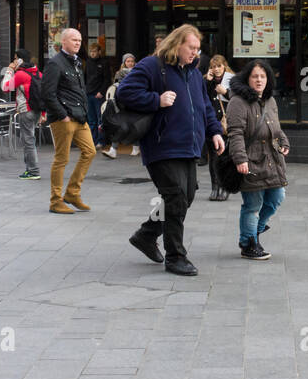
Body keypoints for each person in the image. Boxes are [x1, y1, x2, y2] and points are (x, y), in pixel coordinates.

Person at [119, 24, 224, 276]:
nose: (195, 53)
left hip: (189, 146)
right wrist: (156, 99)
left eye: (198, 49)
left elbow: (205, 107)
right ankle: (175, 256)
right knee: (176, 197)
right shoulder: (152, 65)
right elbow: (125, 92)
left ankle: (146, 235)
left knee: (185, 197)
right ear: (177, 44)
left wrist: (215, 132)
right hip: (161, 145)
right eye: (191, 47)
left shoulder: (194, 74)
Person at [228, 59, 291, 260]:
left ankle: (253, 231)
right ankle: (248, 244)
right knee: (253, 205)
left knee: (277, 198)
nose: (259, 80)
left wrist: (284, 142)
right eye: (255, 76)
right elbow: (235, 133)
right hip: (251, 160)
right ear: (247, 78)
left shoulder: (270, 100)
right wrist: (240, 159)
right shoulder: (238, 101)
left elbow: (277, 128)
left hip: (272, 159)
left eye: (263, 76)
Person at [39, 28, 97, 214]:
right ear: (63, 42)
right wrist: (62, 115)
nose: (78, 43)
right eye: (74, 40)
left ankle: (72, 193)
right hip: (63, 118)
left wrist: (84, 112)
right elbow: (48, 93)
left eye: (80, 40)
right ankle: (56, 201)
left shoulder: (78, 61)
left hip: (79, 117)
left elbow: (79, 90)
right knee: (61, 159)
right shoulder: (55, 63)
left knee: (90, 151)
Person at [1, 48, 44, 180]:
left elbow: (5, 87)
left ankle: (33, 171)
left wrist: (9, 70)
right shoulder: (38, 73)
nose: (13, 61)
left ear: (19, 60)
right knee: (29, 140)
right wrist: (43, 113)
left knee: (28, 141)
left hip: (26, 111)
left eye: (14, 58)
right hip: (36, 111)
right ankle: (29, 169)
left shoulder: (21, 74)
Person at [204, 54, 232, 200]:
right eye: (213, 67)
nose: (216, 69)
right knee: (213, 157)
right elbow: (203, 99)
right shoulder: (206, 81)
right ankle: (215, 187)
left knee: (225, 157)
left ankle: (225, 187)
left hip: (227, 124)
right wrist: (208, 83)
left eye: (219, 66)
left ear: (224, 66)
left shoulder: (231, 79)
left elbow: (239, 98)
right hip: (212, 123)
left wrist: (225, 92)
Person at [85, 46, 113, 157]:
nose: (92, 53)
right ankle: (93, 140)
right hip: (89, 93)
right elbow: (85, 77)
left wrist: (101, 91)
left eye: (94, 51)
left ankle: (101, 141)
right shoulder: (88, 62)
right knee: (91, 119)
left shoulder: (104, 63)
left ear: (99, 52)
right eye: (91, 51)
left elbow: (107, 79)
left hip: (99, 94)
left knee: (100, 119)